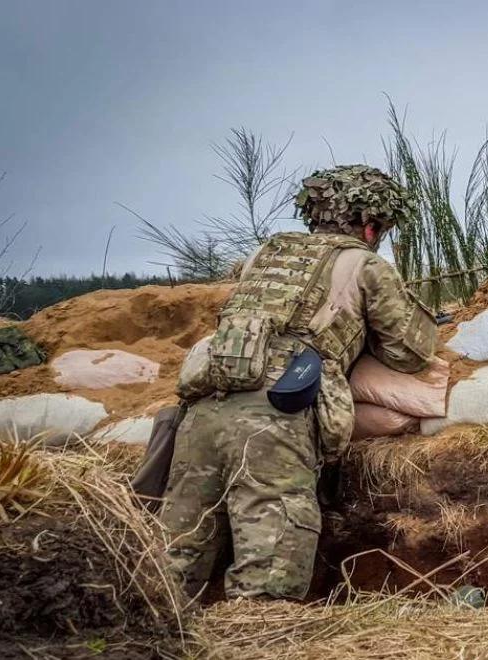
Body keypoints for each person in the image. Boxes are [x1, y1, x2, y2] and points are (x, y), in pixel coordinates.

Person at [161, 164, 436, 600]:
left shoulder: (265, 254)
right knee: (270, 570)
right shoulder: (364, 264)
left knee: (175, 556)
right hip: (277, 413)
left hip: (203, 409)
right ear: (370, 225)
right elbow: (408, 352)